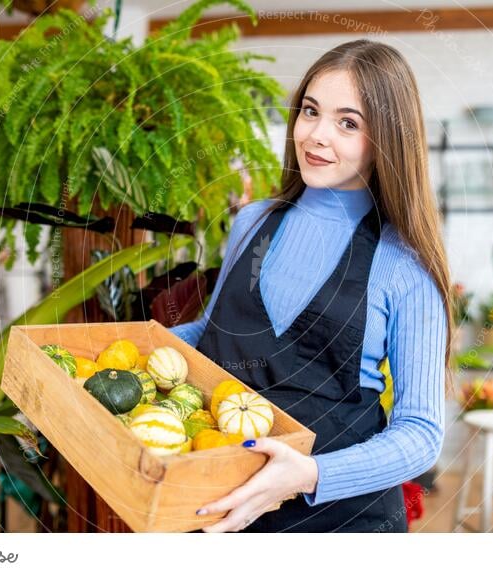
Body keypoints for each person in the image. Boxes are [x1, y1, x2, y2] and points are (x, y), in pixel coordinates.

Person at [168, 39, 452, 533]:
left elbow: (422, 434)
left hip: (340, 523)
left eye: (348, 123)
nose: (317, 136)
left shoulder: (404, 263)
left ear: (386, 139)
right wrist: (127, 351)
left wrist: (311, 475)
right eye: (310, 111)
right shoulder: (252, 223)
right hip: (221, 500)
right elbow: (213, 335)